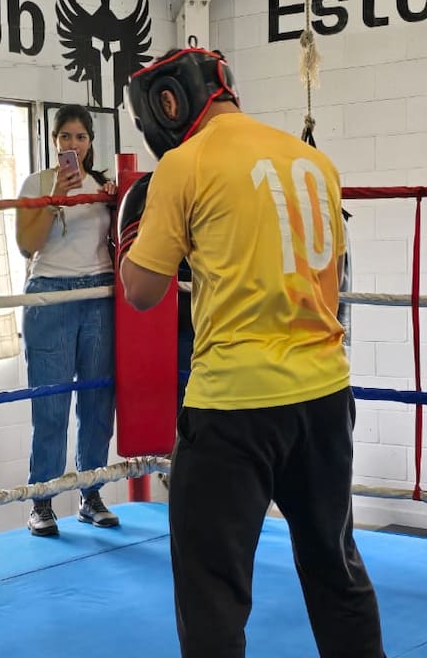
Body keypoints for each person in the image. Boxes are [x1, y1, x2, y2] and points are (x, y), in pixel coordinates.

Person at [119, 46, 386, 658]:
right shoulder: (314, 162)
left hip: (234, 405)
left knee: (212, 587)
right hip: (324, 397)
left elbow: (141, 292)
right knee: (334, 567)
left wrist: (132, 235)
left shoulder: (185, 165)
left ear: (167, 102)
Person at [15, 103, 120, 537]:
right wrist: (55, 197)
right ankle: (41, 502)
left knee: (97, 405)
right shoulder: (36, 183)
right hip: (51, 296)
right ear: (53, 141)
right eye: (65, 137)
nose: (73, 144)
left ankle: (91, 493)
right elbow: (26, 245)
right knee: (52, 407)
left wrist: (118, 198)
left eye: (80, 137)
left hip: (98, 294)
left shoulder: (101, 185)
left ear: (90, 142)